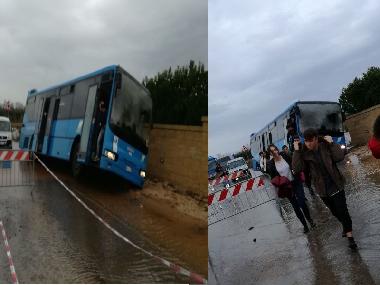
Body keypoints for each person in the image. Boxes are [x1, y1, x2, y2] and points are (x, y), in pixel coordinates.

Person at [292, 128, 357, 249]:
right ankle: (345, 225)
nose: (308, 143)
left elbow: (339, 157)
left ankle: (350, 238)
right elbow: (296, 169)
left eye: (311, 140)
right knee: (335, 212)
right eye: (306, 141)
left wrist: (332, 143)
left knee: (343, 211)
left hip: (336, 184)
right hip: (322, 190)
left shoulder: (325, 146)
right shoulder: (304, 153)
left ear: (316, 139)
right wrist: (296, 151)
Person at [267, 144, 316, 233]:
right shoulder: (271, 164)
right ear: (270, 153)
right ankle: (305, 226)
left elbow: (294, 163)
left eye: (275, 149)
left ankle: (310, 221)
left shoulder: (285, 155)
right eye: (273, 151)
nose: (275, 151)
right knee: (296, 207)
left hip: (296, 181)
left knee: (302, 202)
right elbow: (273, 178)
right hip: (286, 187)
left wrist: (295, 170)